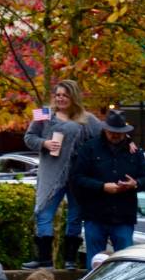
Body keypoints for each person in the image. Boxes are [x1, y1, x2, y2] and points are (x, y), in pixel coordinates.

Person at [23, 79, 104, 269]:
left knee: (75, 216)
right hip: (51, 173)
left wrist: (128, 142)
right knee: (43, 213)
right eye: (57, 95)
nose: (60, 98)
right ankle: (44, 260)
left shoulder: (87, 119)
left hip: (77, 175)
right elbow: (28, 137)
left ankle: (69, 260)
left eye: (65, 95)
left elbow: (105, 135)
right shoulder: (44, 113)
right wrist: (44, 143)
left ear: (73, 97)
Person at [71, 109, 145, 268]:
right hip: (95, 215)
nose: (115, 135)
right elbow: (77, 178)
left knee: (125, 265)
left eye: (119, 132)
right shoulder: (90, 148)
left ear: (125, 132)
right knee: (94, 265)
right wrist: (102, 187)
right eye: (112, 132)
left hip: (123, 216)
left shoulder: (134, 151)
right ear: (105, 129)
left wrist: (134, 184)